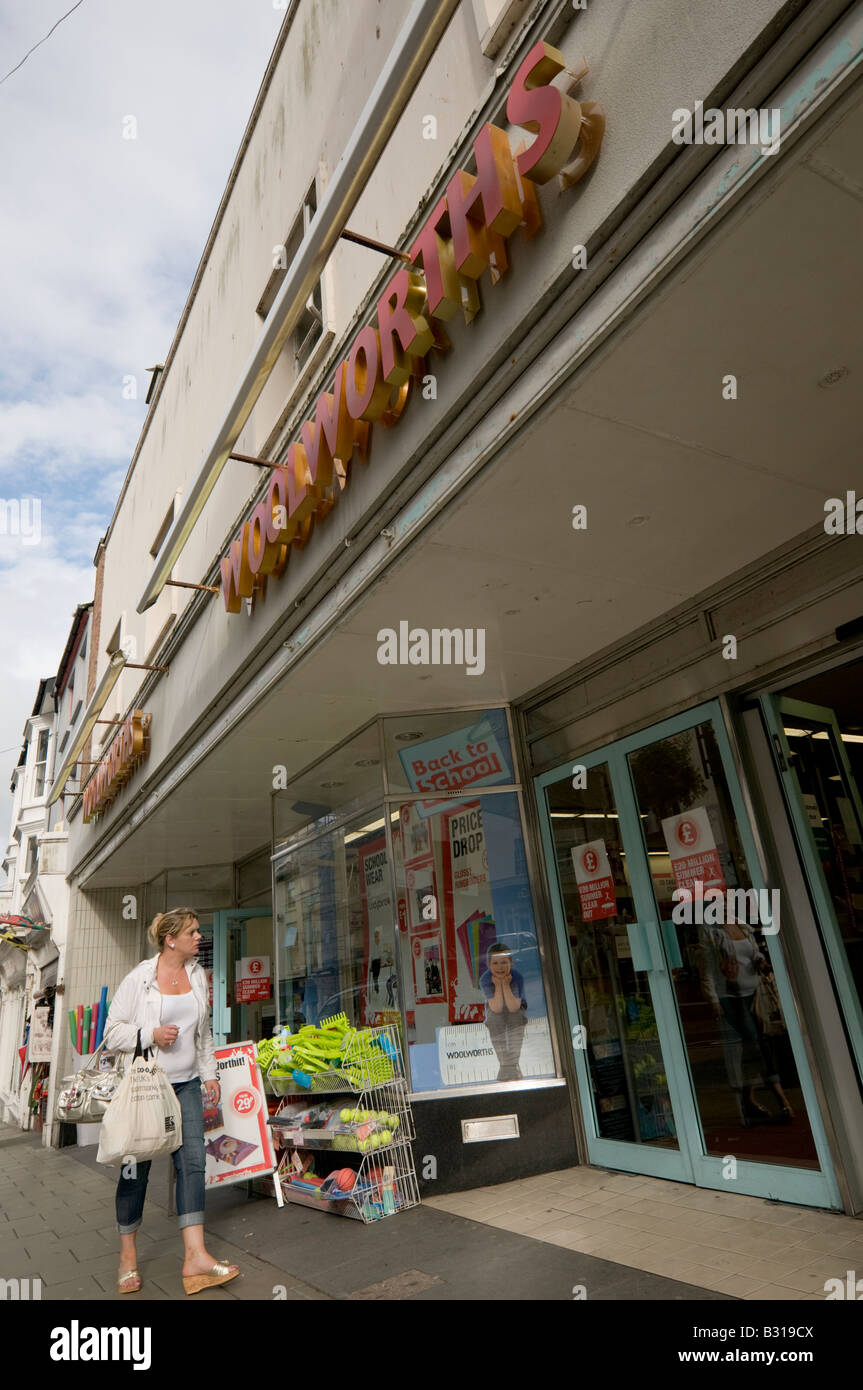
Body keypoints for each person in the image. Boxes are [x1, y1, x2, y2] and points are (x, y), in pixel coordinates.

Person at [103, 907, 240, 1296]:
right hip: (149, 1088)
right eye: (193, 932)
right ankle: (127, 1256)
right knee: (136, 1169)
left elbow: (204, 1032)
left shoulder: (197, 975)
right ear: (171, 939)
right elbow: (112, 1033)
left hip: (187, 1086)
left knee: (193, 1163)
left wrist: (209, 1073)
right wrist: (151, 1033)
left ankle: (195, 1256)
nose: (200, 937)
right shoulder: (140, 979)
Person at [696, 916, 793, 1124]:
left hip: (756, 994)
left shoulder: (741, 924)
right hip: (731, 999)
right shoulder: (709, 930)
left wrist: (760, 960)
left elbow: (754, 952)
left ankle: (748, 1099)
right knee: (756, 1045)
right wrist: (713, 1000)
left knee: (757, 1045)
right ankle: (780, 1098)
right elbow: (706, 968)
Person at [479, 942, 527, 1082]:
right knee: (494, 1020)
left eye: (504, 962)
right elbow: (496, 1008)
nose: (500, 967)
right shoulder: (485, 979)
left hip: (516, 1006)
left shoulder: (517, 977)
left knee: (516, 1019)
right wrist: (499, 985)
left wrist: (505, 984)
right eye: (495, 963)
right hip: (496, 1006)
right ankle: (507, 1066)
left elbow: (514, 1007)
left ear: (511, 963)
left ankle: (511, 1065)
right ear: (489, 965)